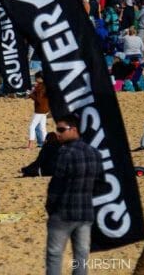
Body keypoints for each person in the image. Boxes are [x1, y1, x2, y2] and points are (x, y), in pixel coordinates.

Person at [45, 114, 103, 275]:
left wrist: (51, 208)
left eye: (61, 130)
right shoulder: (94, 153)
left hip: (63, 213)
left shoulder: (65, 153)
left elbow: (56, 185)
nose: (58, 133)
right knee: (81, 257)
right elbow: (100, 185)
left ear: (74, 129)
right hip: (85, 213)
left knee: (55, 255)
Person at [28, 72, 49, 149]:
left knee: (32, 126)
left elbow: (39, 100)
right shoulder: (44, 86)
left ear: (40, 78)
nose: (35, 79)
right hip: (45, 109)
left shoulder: (41, 87)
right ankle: (45, 143)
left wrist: (30, 95)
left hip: (40, 110)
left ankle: (30, 144)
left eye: (36, 78)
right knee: (43, 127)